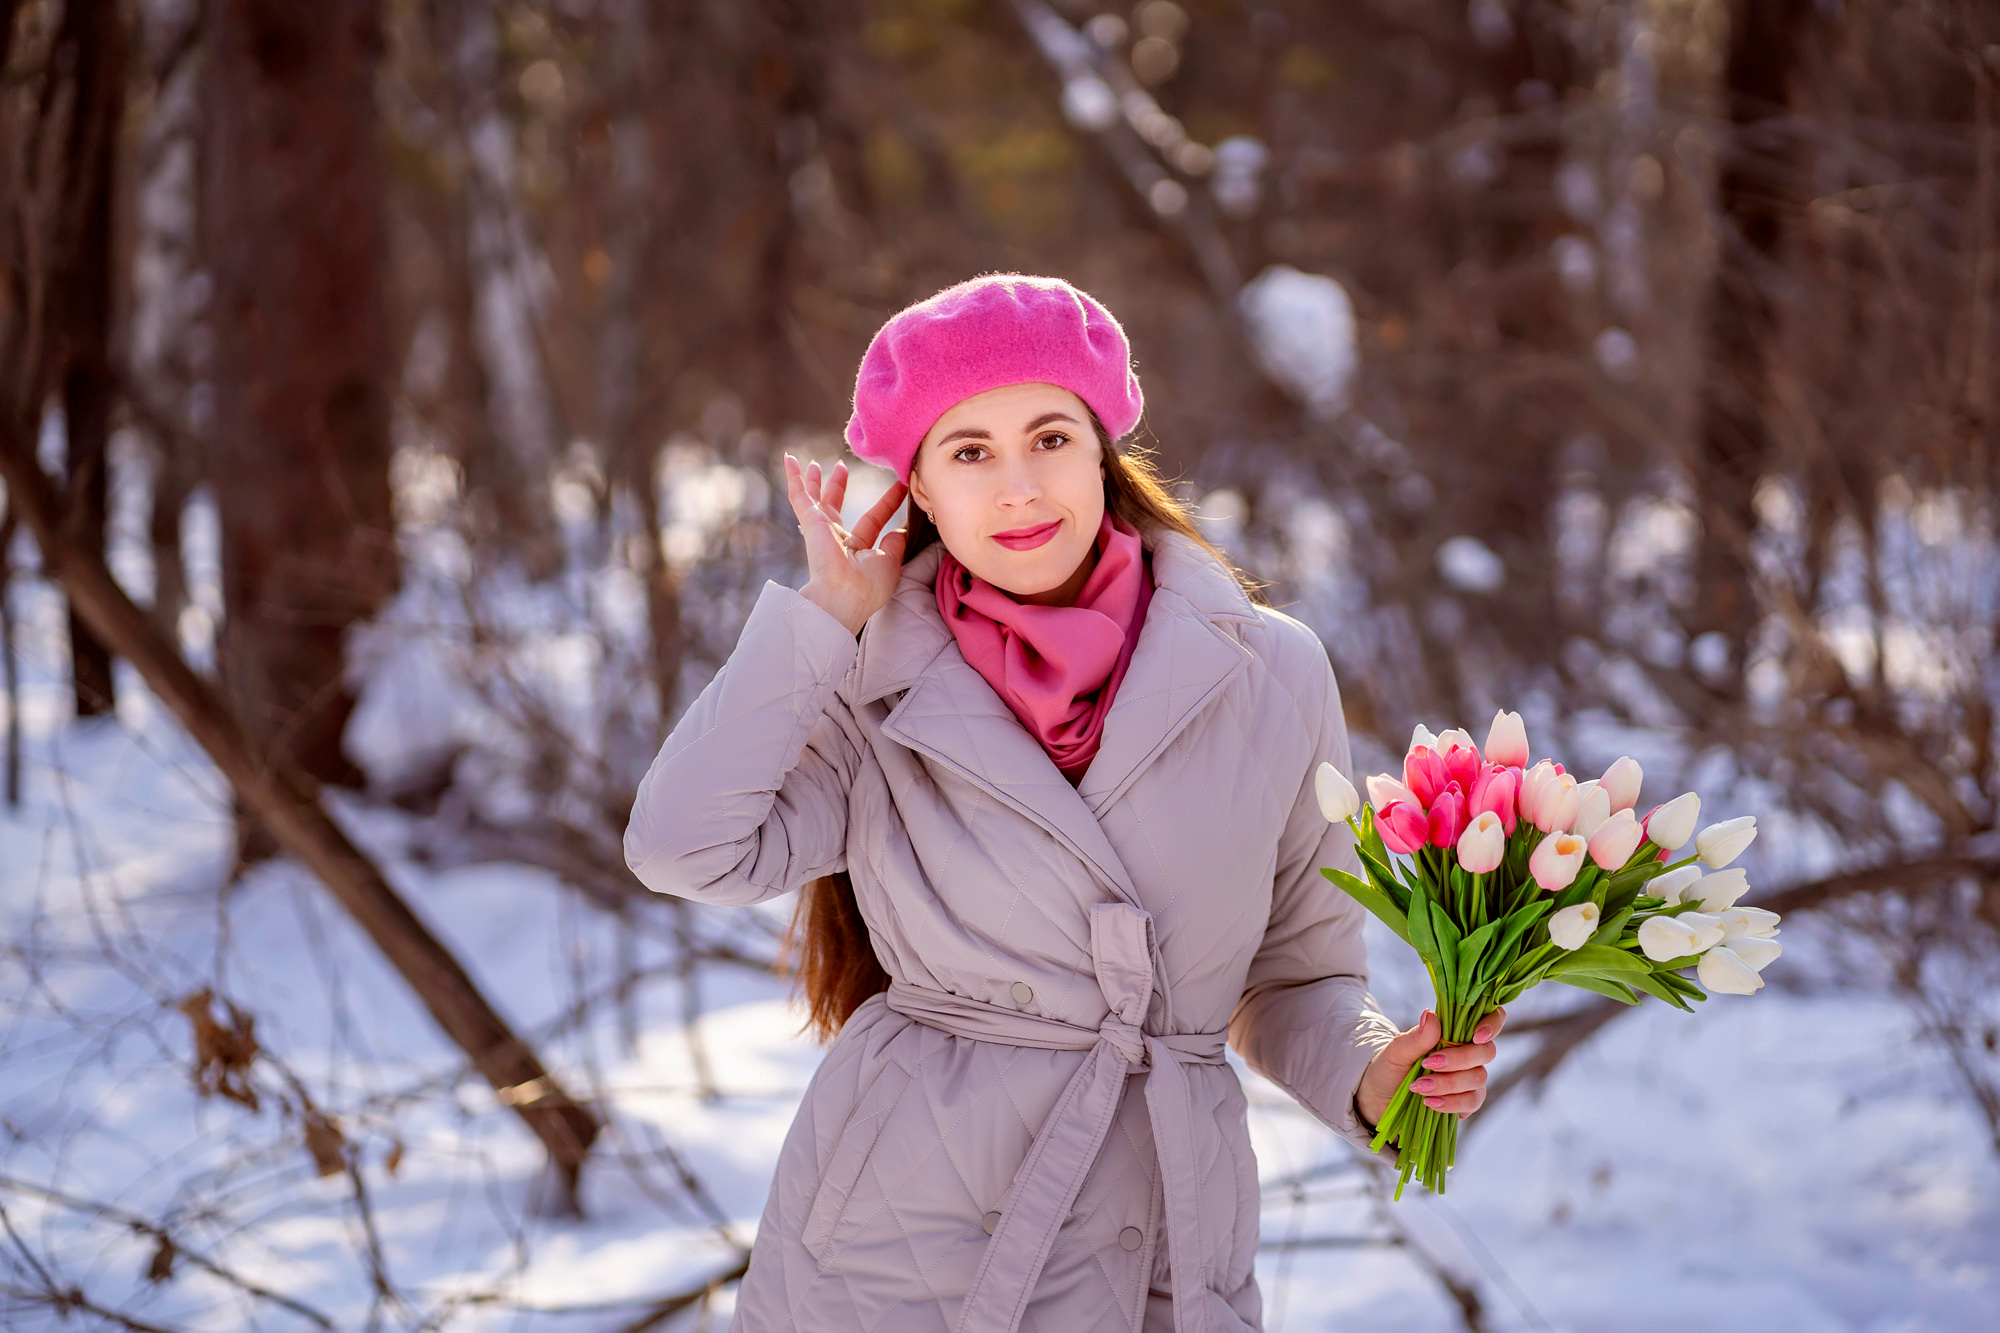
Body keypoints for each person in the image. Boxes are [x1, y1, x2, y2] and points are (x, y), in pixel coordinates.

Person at [624, 273, 1505, 1333]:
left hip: (1165, 1236)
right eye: (968, 453)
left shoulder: (1269, 671)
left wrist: (1376, 1075)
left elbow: (1294, 972)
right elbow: (683, 849)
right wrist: (822, 622)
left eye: (1049, 438)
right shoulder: (870, 675)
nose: (1016, 488)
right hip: (900, 1250)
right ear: (921, 494)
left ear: (1102, 452)